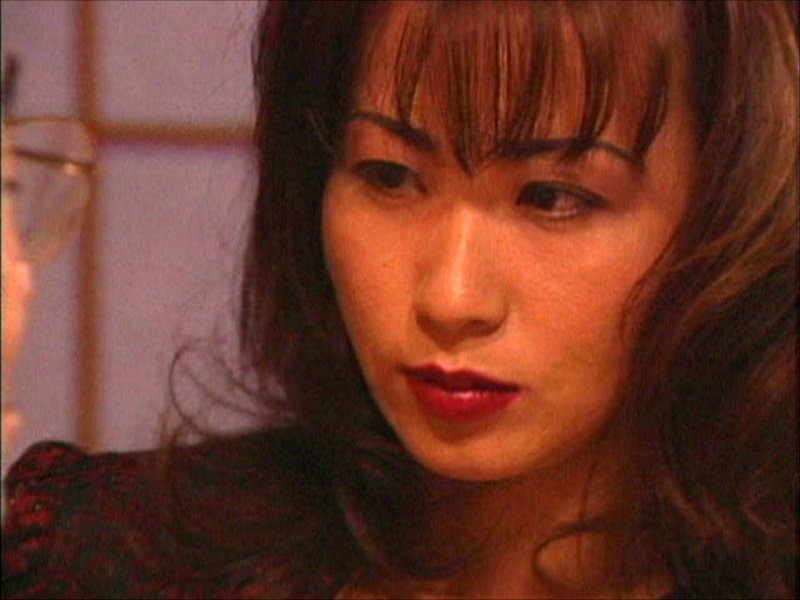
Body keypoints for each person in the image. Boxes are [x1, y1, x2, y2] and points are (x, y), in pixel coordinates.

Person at [2, 1, 797, 598]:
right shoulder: (120, 555)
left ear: (730, 212)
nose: (451, 297)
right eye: (389, 176)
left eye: (553, 198)